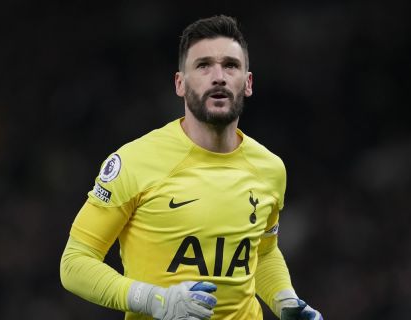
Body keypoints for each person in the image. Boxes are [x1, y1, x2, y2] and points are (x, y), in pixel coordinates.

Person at [60, 14, 323, 320]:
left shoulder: (270, 168)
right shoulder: (135, 161)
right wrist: (155, 300)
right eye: (203, 65)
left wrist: (283, 299)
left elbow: (262, 252)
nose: (219, 76)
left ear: (247, 83)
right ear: (180, 84)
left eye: (230, 65)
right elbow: (75, 262)